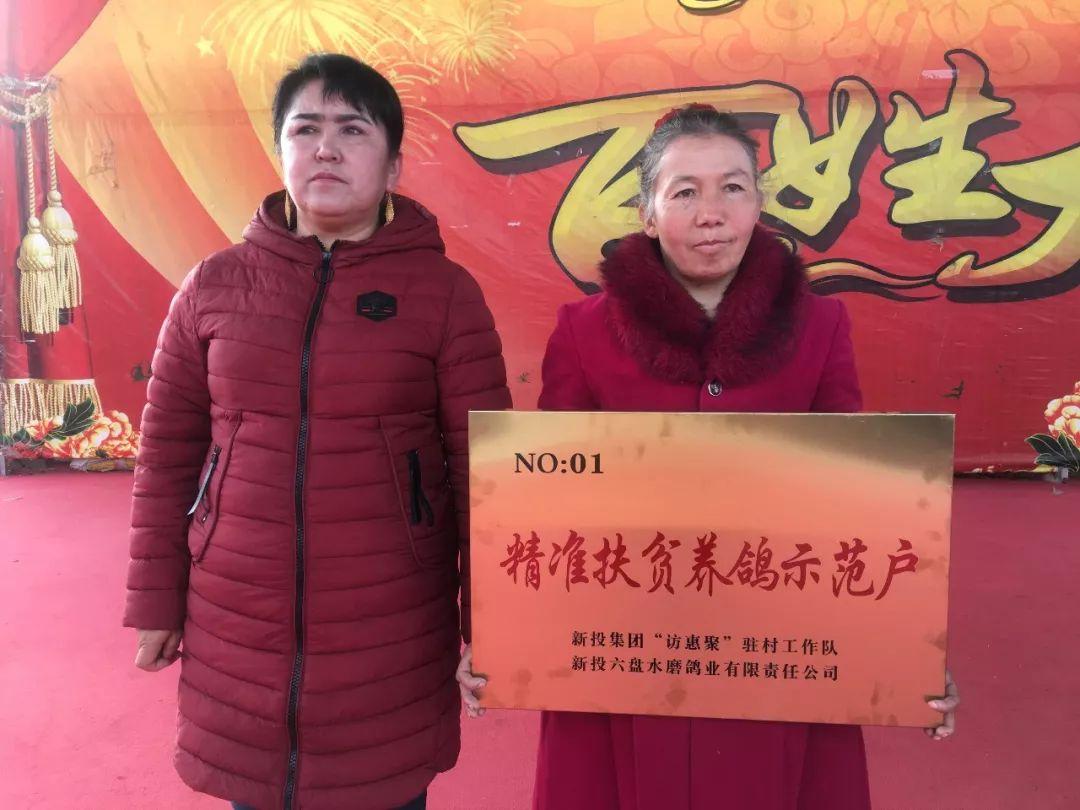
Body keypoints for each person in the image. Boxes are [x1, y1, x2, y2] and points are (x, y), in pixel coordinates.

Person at [523, 104, 959, 809]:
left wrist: (912, 647)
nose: (711, 214)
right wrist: (506, 638)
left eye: (733, 188)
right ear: (647, 213)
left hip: (777, 650)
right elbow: (544, 505)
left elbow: (853, 502)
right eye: (684, 192)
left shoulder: (820, 325)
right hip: (625, 647)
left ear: (758, 204)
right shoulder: (583, 332)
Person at [123, 53, 510, 810]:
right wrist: (156, 603)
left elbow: (485, 476)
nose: (326, 148)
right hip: (238, 614)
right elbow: (165, 458)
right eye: (305, 129)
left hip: (391, 619)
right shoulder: (213, 286)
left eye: (352, 130)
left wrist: (495, 631)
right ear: (281, 152)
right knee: (256, 789)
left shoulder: (444, 296)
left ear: (393, 165)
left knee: (382, 788)